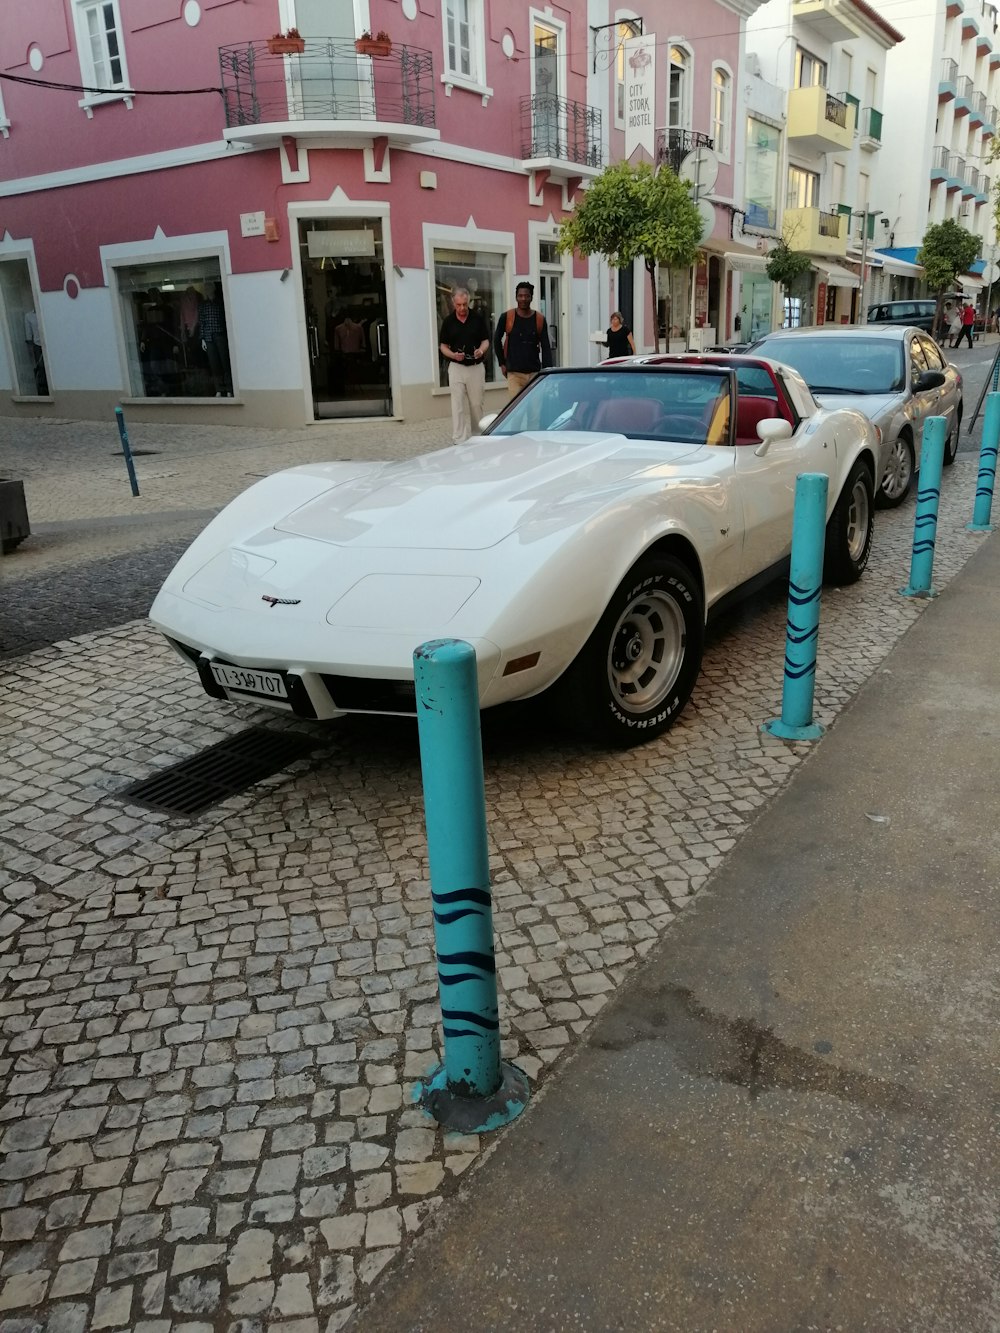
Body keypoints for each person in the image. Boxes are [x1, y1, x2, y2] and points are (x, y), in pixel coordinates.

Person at [439, 286, 490, 444]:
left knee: (476, 404)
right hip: (456, 368)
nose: (462, 308)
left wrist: (481, 351)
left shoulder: (477, 318)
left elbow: (485, 341)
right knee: (457, 404)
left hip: (475, 367)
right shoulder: (448, 322)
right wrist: (453, 355)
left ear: (469, 302)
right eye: (459, 305)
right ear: (453, 303)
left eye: (465, 304)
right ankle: (459, 439)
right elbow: (443, 346)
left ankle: (477, 437)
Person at [494, 280, 552, 397]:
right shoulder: (507, 317)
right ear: (516, 297)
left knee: (535, 412)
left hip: (534, 374)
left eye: (527, 296)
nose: (523, 299)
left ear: (531, 297)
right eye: (520, 296)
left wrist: (546, 372)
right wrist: (502, 363)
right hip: (514, 374)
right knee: (516, 412)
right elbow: (496, 340)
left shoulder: (539, 319)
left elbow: (546, 347)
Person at [23, 309, 48, 395]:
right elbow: (28, 334)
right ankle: (43, 390)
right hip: (37, 345)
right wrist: (30, 349)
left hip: (49, 344)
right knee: (41, 367)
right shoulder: (29, 316)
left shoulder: (45, 311)